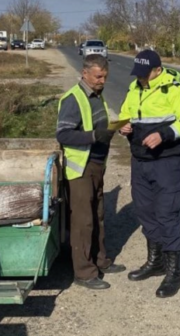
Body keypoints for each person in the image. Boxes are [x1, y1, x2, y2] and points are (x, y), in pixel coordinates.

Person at [119, 49, 180, 298]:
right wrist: (124, 124)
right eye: (138, 74)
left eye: (145, 74)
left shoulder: (175, 89)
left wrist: (164, 134)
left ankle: (174, 272)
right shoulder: (134, 89)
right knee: (145, 211)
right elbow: (124, 112)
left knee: (167, 214)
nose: (141, 79)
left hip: (166, 162)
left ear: (157, 69)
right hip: (140, 160)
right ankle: (155, 262)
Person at [56, 54, 125, 290]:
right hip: (80, 170)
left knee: (98, 215)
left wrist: (115, 127)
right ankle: (84, 273)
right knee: (83, 221)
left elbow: (98, 124)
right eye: (98, 76)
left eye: (105, 77)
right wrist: (94, 136)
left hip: (97, 164)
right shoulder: (73, 99)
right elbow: (63, 134)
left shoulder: (97, 96)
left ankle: (100, 261)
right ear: (85, 73)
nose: (102, 81)